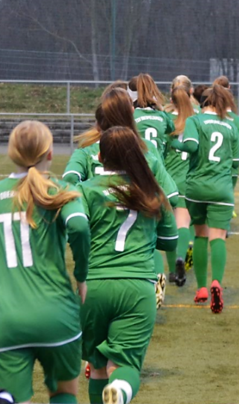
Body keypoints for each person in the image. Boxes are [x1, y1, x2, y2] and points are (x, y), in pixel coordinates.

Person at [0, 121, 90, 404]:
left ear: (11, 153)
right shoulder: (59, 190)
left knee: (9, 400)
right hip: (57, 315)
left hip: (8, 321)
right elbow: (78, 226)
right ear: (50, 153)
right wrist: (82, 276)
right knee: (64, 394)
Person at [78, 127, 177, 404]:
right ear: (136, 155)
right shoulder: (152, 191)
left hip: (93, 286)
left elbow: (75, 230)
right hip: (136, 286)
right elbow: (170, 241)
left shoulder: (84, 190)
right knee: (124, 366)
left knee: (97, 367)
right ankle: (120, 391)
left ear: (100, 156)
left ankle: (112, 392)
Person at [62, 87, 179, 308]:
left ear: (100, 119)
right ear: (131, 114)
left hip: (97, 262)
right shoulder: (146, 152)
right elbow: (171, 197)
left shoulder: (87, 151)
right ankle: (156, 280)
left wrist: (91, 194)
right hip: (137, 267)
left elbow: (68, 181)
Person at [171, 83, 239, 313]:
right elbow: (236, 162)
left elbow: (191, 146)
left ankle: (201, 288)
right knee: (218, 237)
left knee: (200, 234)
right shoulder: (230, 125)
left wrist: (172, 142)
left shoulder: (195, 121)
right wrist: (229, 187)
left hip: (196, 188)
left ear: (203, 103)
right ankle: (216, 283)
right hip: (222, 188)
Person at [163, 80, 198, 286]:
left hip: (167, 178)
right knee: (183, 223)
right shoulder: (196, 118)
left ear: (171, 99)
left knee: (168, 226)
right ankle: (180, 259)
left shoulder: (165, 119)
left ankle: (171, 271)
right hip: (188, 177)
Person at [129, 73, 175, 156]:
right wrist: (160, 108)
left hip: (139, 161)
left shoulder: (131, 116)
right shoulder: (161, 115)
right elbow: (171, 128)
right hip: (158, 162)